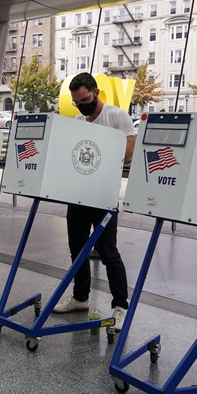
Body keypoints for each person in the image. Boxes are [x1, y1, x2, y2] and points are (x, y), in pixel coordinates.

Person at [52, 72, 135, 331]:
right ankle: (80, 298)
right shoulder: (79, 120)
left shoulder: (116, 116)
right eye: (77, 102)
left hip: (103, 196)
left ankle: (120, 306)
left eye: (85, 100)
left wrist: (101, 147)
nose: (81, 106)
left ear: (96, 92)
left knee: (108, 253)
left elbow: (130, 153)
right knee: (77, 249)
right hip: (79, 194)